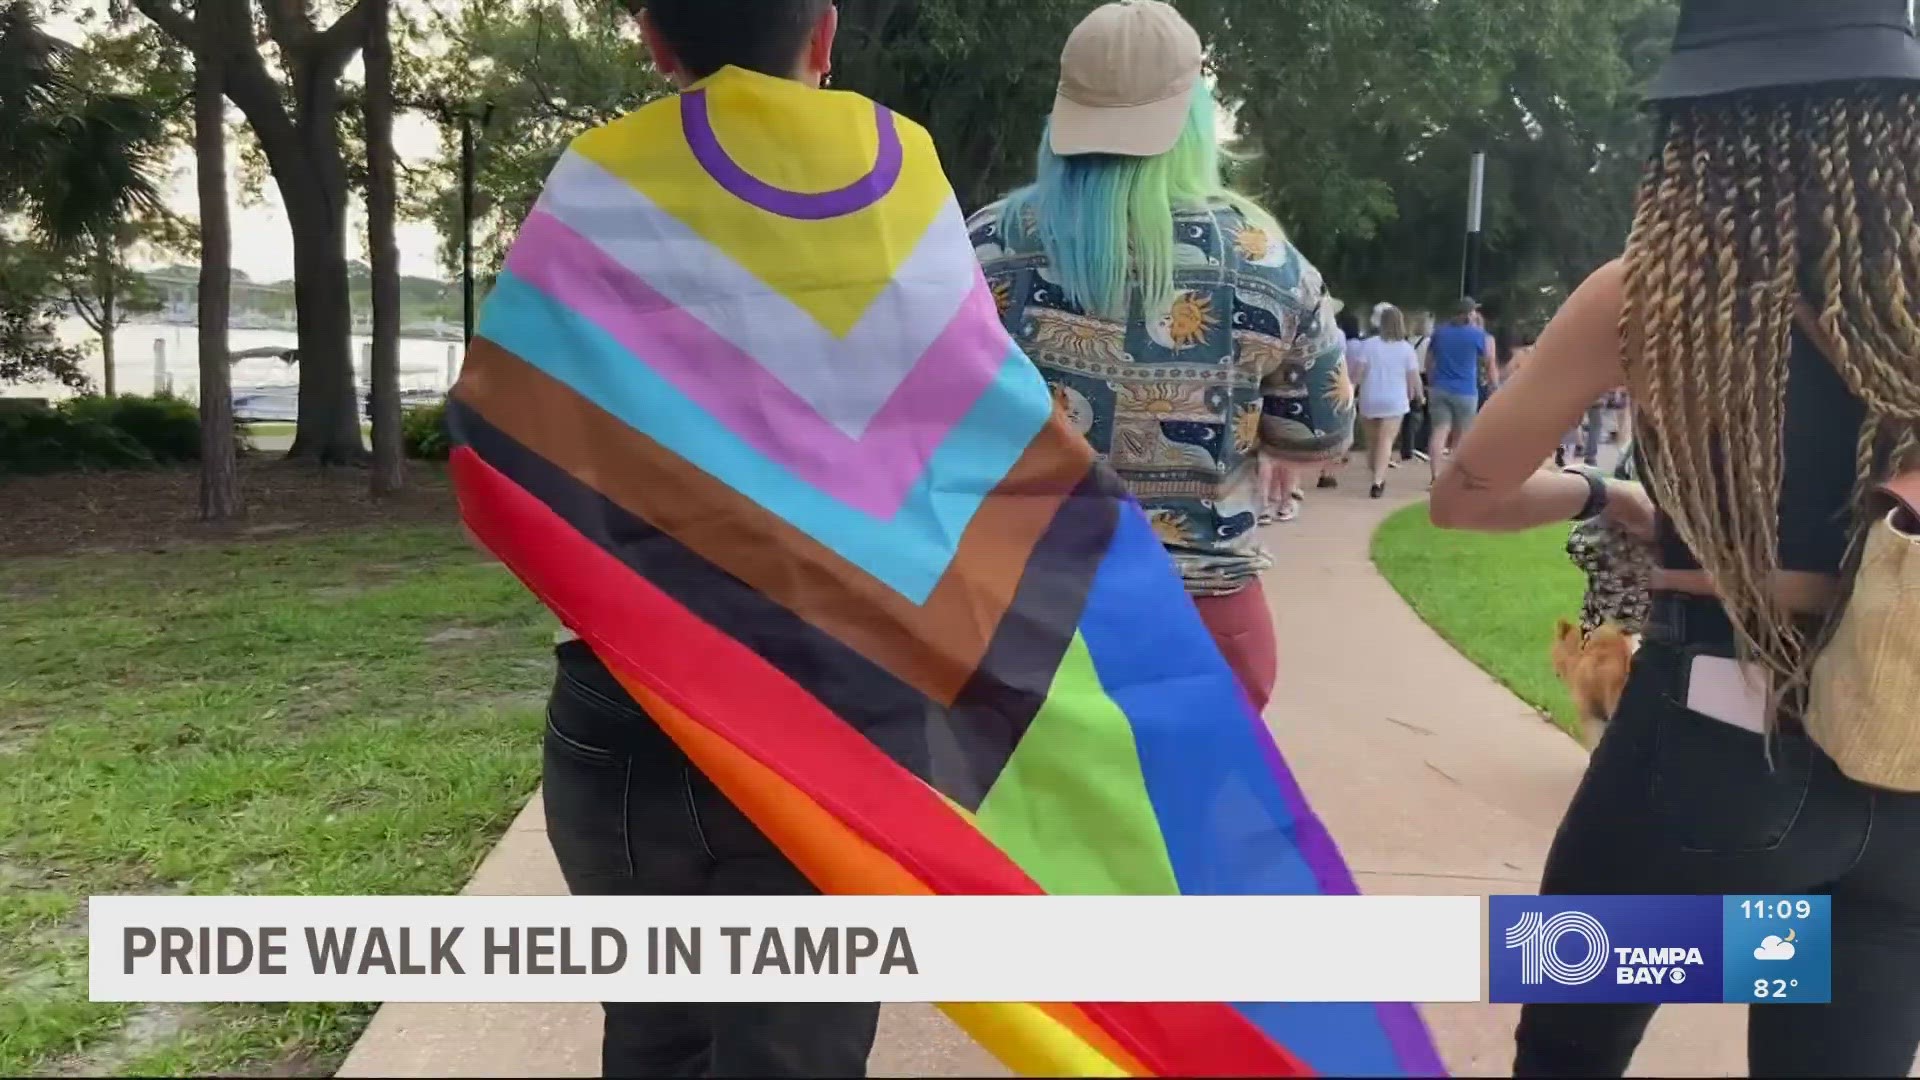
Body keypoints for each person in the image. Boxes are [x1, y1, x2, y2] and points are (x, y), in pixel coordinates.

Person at [1430, 2, 1920, 1074]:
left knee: (1569, 1046)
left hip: (1716, 741)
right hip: (1901, 774)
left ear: (1701, 124)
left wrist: (1608, 499)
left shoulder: (1647, 297)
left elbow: (1461, 496)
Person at [536, 2, 882, 1074]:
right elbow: (968, 442)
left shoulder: (595, 181)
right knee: (802, 1052)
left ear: (654, 41)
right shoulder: (893, 177)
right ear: (823, 36)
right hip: (825, 704)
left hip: (626, 699)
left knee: (655, 1039)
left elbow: (508, 429)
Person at [972, 0, 1352, 712]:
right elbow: (1320, 433)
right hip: (1204, 625)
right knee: (1190, 824)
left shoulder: (986, 247)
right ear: (1194, 115)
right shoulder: (1264, 259)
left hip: (1021, 619)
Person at [1349, 305, 1423, 498]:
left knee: (1372, 441)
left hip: (1370, 397)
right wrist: (1419, 395)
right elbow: (1414, 378)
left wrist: (1351, 390)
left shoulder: (1370, 344)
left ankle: (1375, 470)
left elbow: (1358, 373)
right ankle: (1378, 479)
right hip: (1394, 400)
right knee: (1386, 440)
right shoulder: (1406, 349)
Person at [1424, 296, 1495, 484]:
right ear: (1470, 313)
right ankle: (1455, 476)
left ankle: (1435, 475)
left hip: (1440, 387)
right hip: (1466, 390)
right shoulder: (1477, 335)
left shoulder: (1440, 332)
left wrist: (1432, 382)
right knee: (1462, 435)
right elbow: (1489, 362)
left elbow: (1429, 360)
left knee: (1440, 431)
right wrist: (1493, 385)